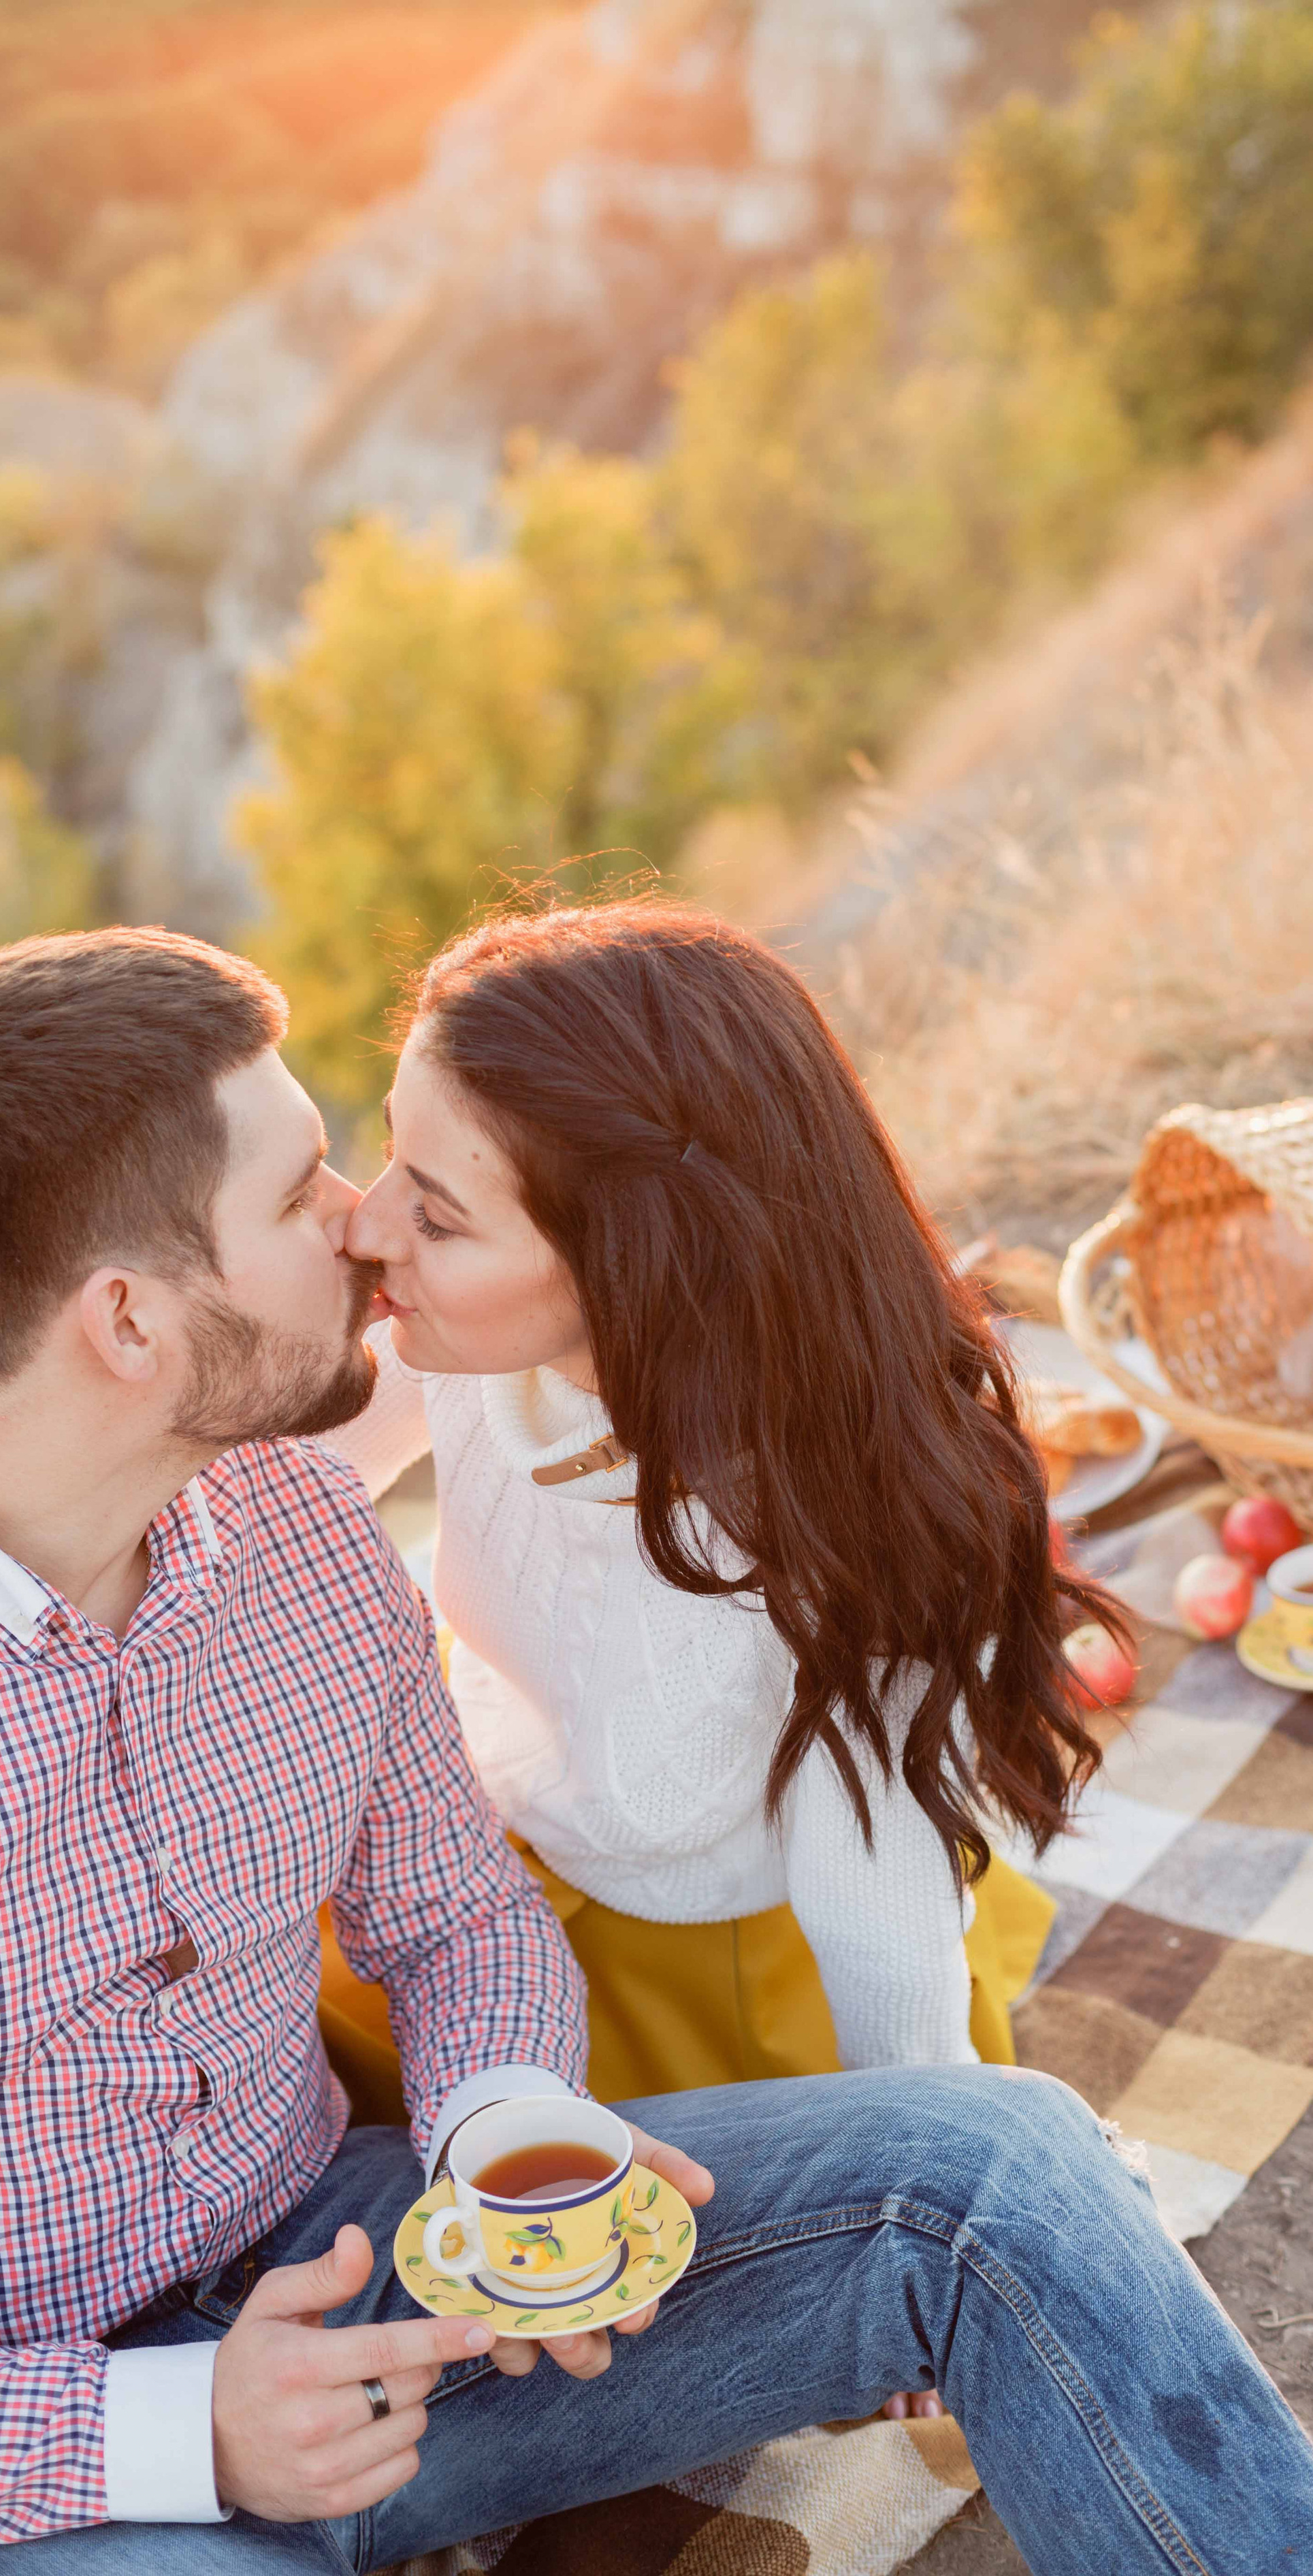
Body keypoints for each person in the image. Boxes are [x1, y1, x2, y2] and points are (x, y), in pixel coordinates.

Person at [0, 928, 1313, 2576]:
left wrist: (506, 2134)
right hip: (4, 2467)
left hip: (374, 2271)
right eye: (303, 1188)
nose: (360, 1220)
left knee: (1007, 2172)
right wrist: (175, 2434)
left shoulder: (299, 1522)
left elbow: (455, 1912)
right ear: (128, 1322)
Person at [326, 902, 1112, 2161]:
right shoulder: (468, 1344)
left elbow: (875, 1915)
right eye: (391, 1160)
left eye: (438, 1215)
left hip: (688, 1969)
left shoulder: (830, 1533)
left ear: (635, 1267)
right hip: (474, 1882)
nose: (365, 1231)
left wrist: (935, 2162)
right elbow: (243, 1477)